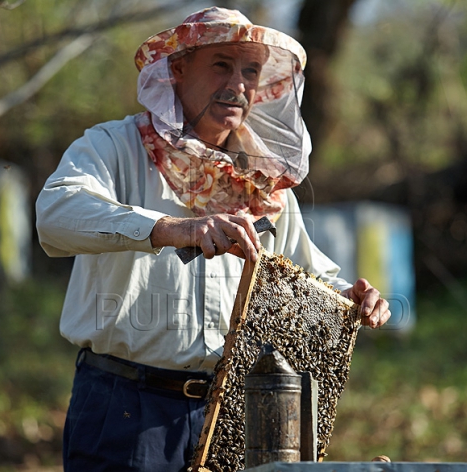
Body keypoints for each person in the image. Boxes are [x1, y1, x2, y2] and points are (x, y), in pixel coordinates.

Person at [36, 6, 391, 471]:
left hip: (235, 412)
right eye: (222, 64)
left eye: (250, 71)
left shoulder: (262, 182)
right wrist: (167, 228)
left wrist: (352, 299)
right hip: (125, 406)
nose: (238, 84)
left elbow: (305, 277)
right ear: (178, 69)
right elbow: (55, 214)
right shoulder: (113, 147)